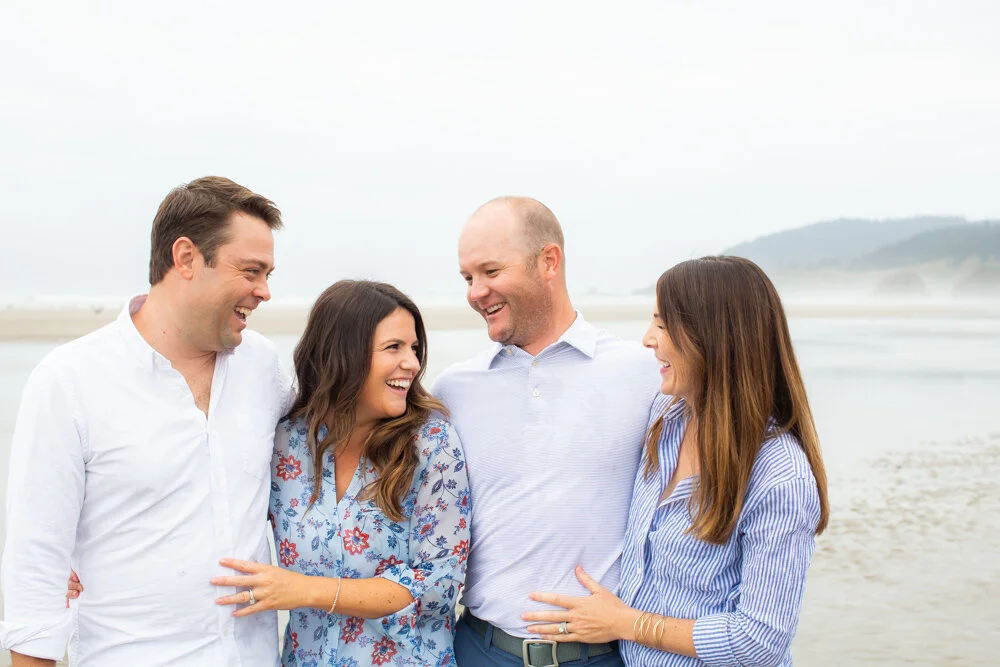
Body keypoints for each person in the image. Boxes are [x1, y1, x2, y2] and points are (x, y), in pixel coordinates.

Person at [0, 177, 290, 666]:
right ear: (186, 258)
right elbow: (35, 569)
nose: (264, 291)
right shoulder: (69, 381)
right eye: (251, 271)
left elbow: (332, 446)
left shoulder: (266, 369)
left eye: (268, 274)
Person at [522, 256, 830, 666]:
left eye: (663, 324)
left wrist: (625, 624)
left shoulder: (779, 477)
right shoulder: (666, 417)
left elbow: (759, 640)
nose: (648, 339)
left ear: (714, 337)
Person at [432, 197, 661, 666]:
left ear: (548, 262)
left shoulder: (643, 374)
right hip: (480, 650)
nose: (476, 292)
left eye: (490, 271)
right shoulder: (453, 389)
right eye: (467, 278)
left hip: (603, 656)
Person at [210, 280, 471, 666]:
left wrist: (307, 590)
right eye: (394, 347)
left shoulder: (431, 443)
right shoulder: (287, 442)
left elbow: (437, 584)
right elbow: (223, 512)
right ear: (343, 353)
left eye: (414, 349)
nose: (413, 363)